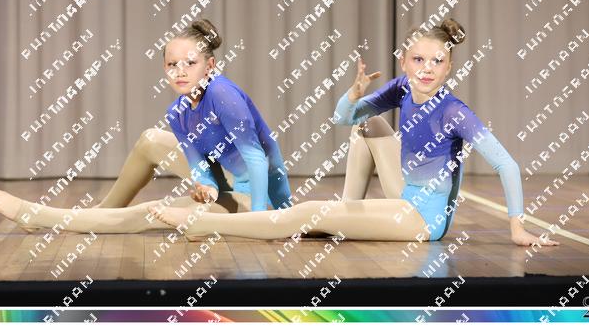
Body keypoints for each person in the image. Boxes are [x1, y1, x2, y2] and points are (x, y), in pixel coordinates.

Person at [149, 18, 559, 247]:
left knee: (308, 214)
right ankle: (347, 209)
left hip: (423, 220)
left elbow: (507, 164)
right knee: (366, 127)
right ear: (404, 62)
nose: (426, 69)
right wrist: (353, 95)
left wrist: (517, 227)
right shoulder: (403, 88)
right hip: (406, 196)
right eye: (418, 60)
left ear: (449, 67)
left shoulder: (454, 112)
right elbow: (343, 119)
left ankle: (204, 225)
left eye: (437, 61)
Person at [0, 19, 292, 232]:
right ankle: (99, 212)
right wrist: (207, 190)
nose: (180, 72)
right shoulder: (178, 111)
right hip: (229, 181)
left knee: (155, 213)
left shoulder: (222, 94)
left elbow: (257, 159)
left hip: (258, 193)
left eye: (190, 63)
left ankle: (40, 216)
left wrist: (258, 218)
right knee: (150, 140)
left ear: (210, 66)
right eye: (172, 65)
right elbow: (199, 167)